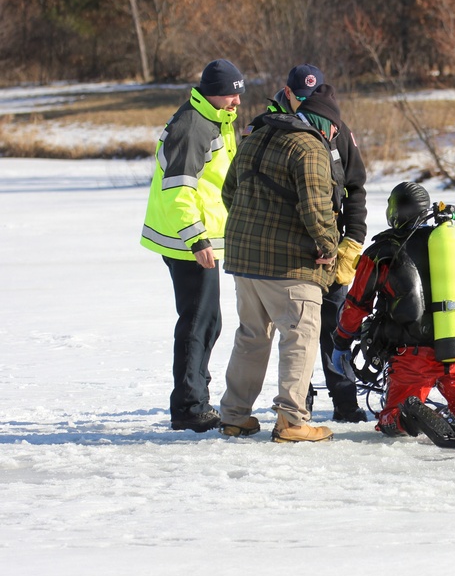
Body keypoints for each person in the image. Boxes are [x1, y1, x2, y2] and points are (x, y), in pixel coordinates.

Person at [217, 84, 349, 443]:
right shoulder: (309, 147)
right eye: (335, 127)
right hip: (290, 266)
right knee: (300, 336)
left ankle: (234, 415)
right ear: (325, 122)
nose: (336, 133)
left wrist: (254, 229)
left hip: (244, 260)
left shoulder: (256, 135)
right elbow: (316, 207)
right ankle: (292, 420)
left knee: (251, 337)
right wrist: (329, 247)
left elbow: (230, 192)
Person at [251, 64, 369, 422]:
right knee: (294, 330)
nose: (305, 105)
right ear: (286, 94)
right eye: (299, 97)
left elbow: (356, 188)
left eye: (310, 98)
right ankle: (299, 403)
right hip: (288, 252)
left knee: (336, 327)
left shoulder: (336, 130)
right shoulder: (265, 129)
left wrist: (352, 242)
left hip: (330, 248)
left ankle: (346, 401)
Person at [331, 182, 455, 437]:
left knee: (391, 421)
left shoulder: (381, 251)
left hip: (413, 356)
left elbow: (357, 303)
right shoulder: (454, 244)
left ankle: (409, 413)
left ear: (395, 210)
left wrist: (340, 341)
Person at [140, 59, 245, 433]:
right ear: (214, 91)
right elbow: (180, 190)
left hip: (201, 242)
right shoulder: (192, 126)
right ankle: (188, 407)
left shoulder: (214, 120)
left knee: (209, 322)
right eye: (232, 93)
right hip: (189, 243)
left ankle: (195, 395)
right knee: (197, 323)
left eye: (239, 93)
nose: (237, 100)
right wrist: (196, 237)